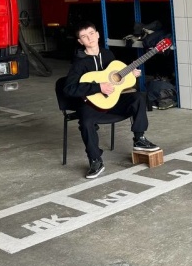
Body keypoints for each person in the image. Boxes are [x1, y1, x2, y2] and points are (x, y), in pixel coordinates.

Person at [64, 21, 160, 179]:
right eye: (84, 36)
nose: (89, 38)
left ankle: (139, 139)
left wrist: (130, 75)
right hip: (92, 105)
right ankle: (95, 160)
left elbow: (116, 78)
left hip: (113, 102)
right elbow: (68, 89)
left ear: (98, 34)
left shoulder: (108, 55)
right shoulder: (78, 63)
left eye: (91, 33)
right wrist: (98, 87)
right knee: (86, 122)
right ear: (80, 42)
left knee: (138, 97)